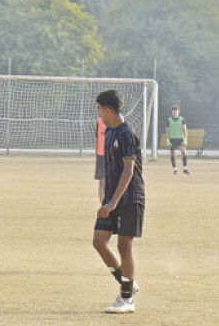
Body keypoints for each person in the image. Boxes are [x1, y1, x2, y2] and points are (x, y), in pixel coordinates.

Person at [92, 90, 145, 313]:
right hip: (112, 198)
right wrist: (105, 197)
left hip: (129, 197)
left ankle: (126, 300)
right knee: (99, 241)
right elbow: (108, 170)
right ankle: (128, 285)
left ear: (108, 110)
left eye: (99, 109)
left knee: (124, 246)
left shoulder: (126, 133)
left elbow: (128, 170)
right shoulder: (109, 132)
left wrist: (113, 202)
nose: (98, 113)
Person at [165, 105, 189, 175]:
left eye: (176, 111)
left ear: (178, 112)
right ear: (172, 112)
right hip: (172, 139)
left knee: (183, 152)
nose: (175, 112)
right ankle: (175, 169)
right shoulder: (169, 120)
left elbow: (184, 130)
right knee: (172, 153)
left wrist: (185, 139)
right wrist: (167, 140)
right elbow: (167, 130)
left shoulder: (182, 119)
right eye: (174, 111)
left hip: (180, 138)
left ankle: (185, 168)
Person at [95, 117, 107, 202]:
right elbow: (97, 139)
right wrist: (96, 155)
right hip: (101, 156)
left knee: (112, 182)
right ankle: (103, 203)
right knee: (102, 182)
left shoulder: (115, 122)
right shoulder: (99, 122)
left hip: (112, 156)